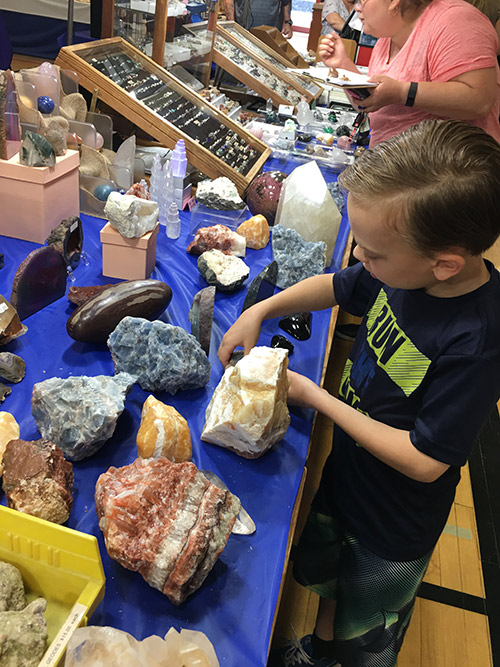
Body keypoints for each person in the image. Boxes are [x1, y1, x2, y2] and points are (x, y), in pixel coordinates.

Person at [218, 119, 500, 667]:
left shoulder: (476, 342)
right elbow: (338, 286)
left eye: (372, 254)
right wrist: (262, 309)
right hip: (350, 476)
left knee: (363, 632)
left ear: (445, 263)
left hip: (393, 523)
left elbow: (426, 461)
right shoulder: (404, 269)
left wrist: (317, 398)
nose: (361, 260)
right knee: (330, 584)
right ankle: (320, 649)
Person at [317, 0, 500, 147]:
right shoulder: (386, 39)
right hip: (397, 167)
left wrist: (402, 92)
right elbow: (369, 104)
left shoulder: (455, 21)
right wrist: (343, 65)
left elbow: (479, 100)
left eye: (363, 0)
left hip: (447, 173)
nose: (357, 7)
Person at [222, 0, 293, 38]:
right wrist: (231, 27)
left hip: (271, 29)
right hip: (243, 30)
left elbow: (286, 2)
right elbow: (228, 2)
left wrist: (287, 21)